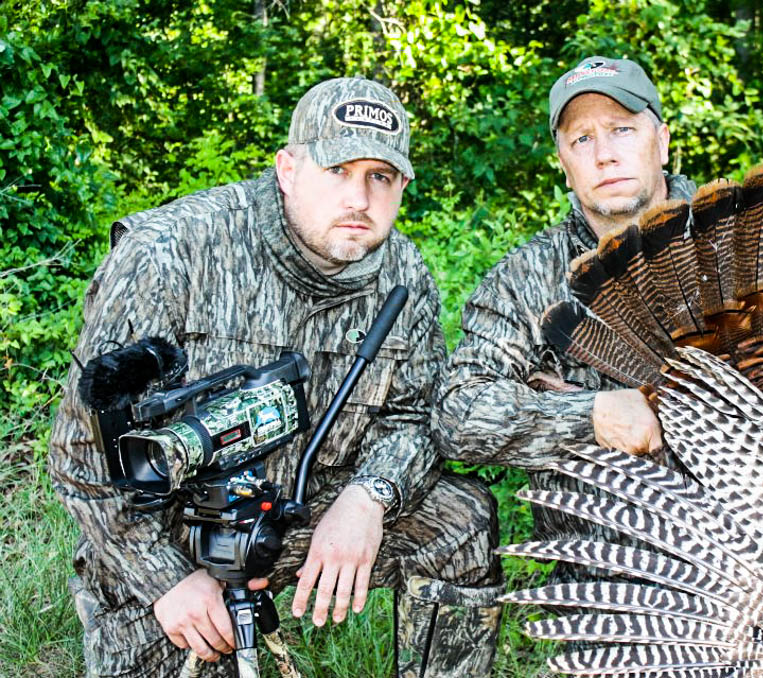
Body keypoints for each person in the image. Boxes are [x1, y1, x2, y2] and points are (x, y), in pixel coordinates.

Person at [49, 77, 502, 678]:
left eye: (380, 177)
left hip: (310, 506)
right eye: (337, 170)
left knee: (462, 519)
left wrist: (371, 496)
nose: (359, 199)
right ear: (288, 168)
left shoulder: (403, 271)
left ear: (403, 187)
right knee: (181, 650)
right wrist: (167, 582)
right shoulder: (172, 250)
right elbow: (82, 456)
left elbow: (416, 414)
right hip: (181, 533)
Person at [432, 56, 695, 581]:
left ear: (661, 141)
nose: (605, 155)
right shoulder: (526, 277)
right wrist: (588, 416)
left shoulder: (746, 237)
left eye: (622, 129)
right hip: (604, 591)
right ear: (562, 161)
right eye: (582, 140)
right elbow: (457, 412)